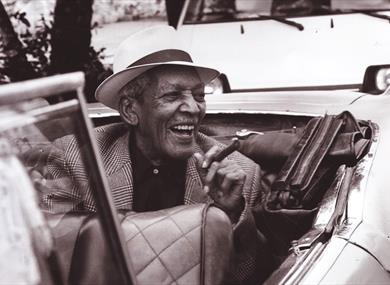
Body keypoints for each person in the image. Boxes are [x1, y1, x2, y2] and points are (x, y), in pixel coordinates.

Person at [41, 25, 271, 284]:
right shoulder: (76, 159)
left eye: (199, 96)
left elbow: (252, 277)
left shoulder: (240, 174)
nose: (194, 108)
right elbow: (50, 262)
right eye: (172, 95)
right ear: (130, 110)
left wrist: (230, 212)